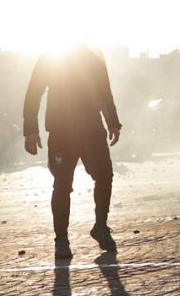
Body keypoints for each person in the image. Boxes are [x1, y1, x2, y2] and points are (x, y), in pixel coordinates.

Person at [23, 45, 123, 259]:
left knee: (105, 176)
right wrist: (30, 130)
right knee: (62, 185)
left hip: (92, 130)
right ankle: (61, 240)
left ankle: (101, 227)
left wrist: (113, 122)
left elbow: (104, 91)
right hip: (61, 131)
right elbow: (34, 93)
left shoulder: (94, 54)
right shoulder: (50, 55)